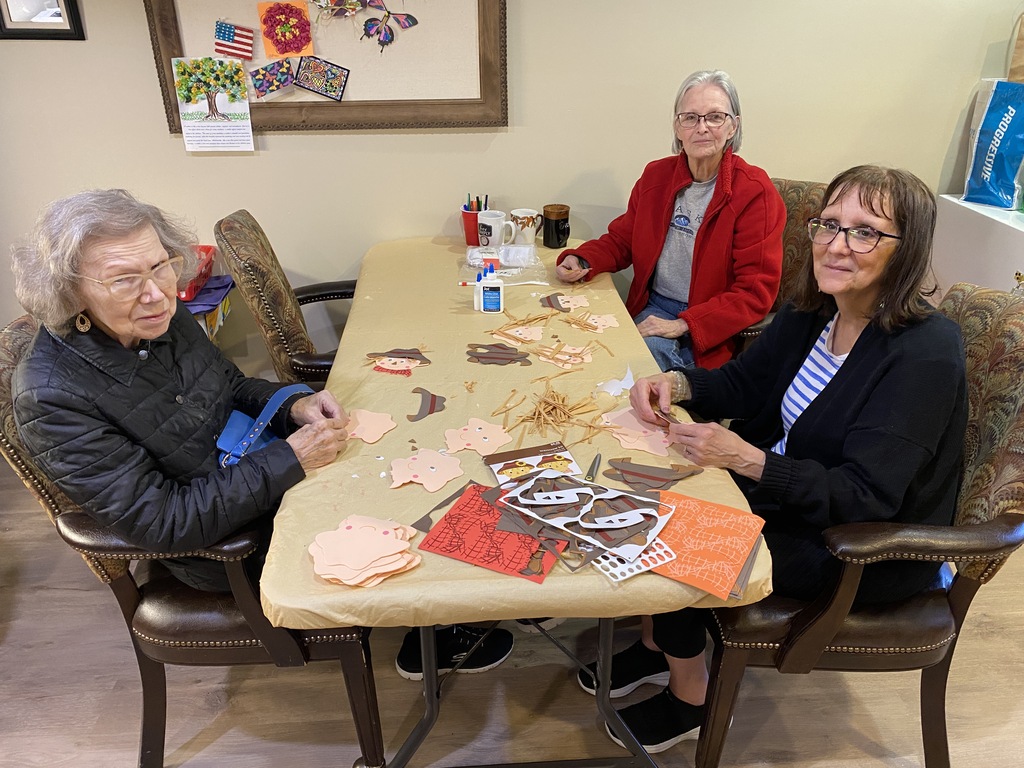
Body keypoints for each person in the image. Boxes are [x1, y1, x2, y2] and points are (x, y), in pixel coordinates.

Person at [10, 189, 513, 680]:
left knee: (414, 454)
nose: (157, 293)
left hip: (252, 474)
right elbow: (163, 523)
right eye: (124, 280)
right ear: (70, 291)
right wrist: (291, 459)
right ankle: (438, 630)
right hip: (228, 546)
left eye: (161, 265)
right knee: (413, 498)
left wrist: (293, 404)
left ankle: (466, 600)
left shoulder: (157, 315)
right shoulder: (51, 396)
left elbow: (226, 384)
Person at [577, 165, 968, 753]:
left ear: (905, 248)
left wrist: (749, 460)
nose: (837, 245)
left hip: (860, 546)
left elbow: (864, 496)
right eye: (829, 224)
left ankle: (691, 694)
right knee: (648, 488)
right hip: (792, 497)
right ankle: (661, 645)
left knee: (672, 535)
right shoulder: (816, 311)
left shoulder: (924, 354)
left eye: (865, 232)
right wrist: (676, 385)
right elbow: (744, 384)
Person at [555, 69, 785, 371]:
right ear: (677, 128)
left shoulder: (755, 192)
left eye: (715, 117)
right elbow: (624, 239)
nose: (702, 128)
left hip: (712, 322)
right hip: (655, 306)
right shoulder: (656, 177)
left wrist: (684, 324)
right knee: (579, 344)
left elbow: (755, 292)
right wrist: (582, 259)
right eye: (690, 117)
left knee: (640, 361)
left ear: (733, 127)